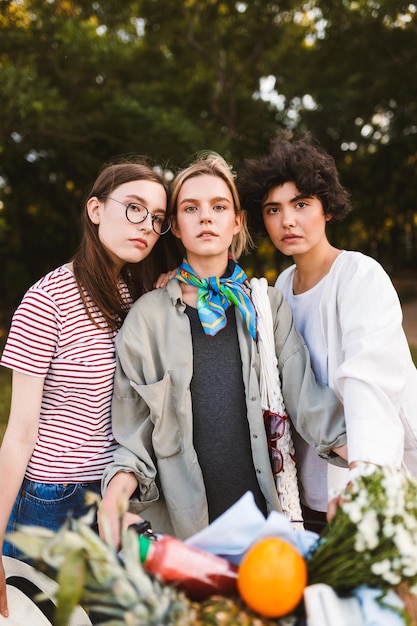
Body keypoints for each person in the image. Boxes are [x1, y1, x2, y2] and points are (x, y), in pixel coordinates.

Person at [99, 151, 347, 548]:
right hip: (184, 532)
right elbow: (134, 435)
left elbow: (309, 402)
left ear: (236, 222)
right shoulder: (146, 318)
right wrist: (114, 496)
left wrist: (368, 463)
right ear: (176, 227)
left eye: (219, 206)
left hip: (265, 524)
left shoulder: (266, 306)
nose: (206, 217)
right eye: (190, 208)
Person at [0, 157, 181, 619]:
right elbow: (19, 432)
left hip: (116, 492)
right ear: (96, 210)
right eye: (134, 208)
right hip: (52, 502)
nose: (147, 225)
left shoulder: (136, 295)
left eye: (157, 218)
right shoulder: (47, 301)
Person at [237, 133, 417, 526]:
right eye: (273, 209)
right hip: (302, 496)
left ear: (327, 209)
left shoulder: (358, 275)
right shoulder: (278, 289)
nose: (287, 220)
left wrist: (364, 473)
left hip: (364, 483)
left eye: (301, 204)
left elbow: (368, 378)